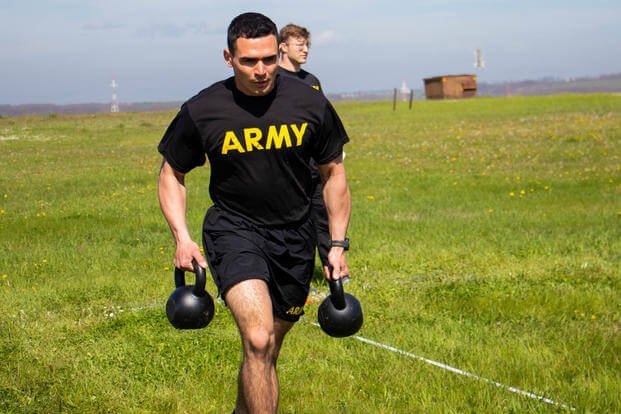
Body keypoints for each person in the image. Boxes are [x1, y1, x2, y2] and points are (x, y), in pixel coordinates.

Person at [157, 12, 351, 414]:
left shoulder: (311, 102)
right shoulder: (203, 109)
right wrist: (182, 237)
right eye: (248, 61)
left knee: (267, 350)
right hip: (234, 229)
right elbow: (172, 172)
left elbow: (334, 173)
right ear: (229, 57)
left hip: (294, 237)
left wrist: (335, 244)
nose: (261, 71)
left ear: (279, 52)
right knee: (258, 339)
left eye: (268, 59)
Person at [278, 24, 344, 277]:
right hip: (288, 170)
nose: (305, 50)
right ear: (282, 47)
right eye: (299, 45)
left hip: (315, 167)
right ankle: (288, 272)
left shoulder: (312, 81)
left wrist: (331, 148)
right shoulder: (275, 80)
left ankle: (334, 268)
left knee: (323, 216)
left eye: (307, 45)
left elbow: (323, 119)